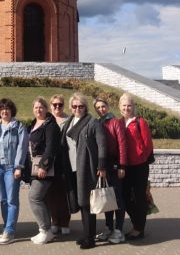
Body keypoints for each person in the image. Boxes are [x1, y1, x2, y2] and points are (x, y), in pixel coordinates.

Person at [59, 93, 107, 250]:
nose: (77, 109)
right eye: (74, 106)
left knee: (87, 204)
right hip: (71, 167)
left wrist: (101, 166)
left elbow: (102, 145)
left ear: (85, 107)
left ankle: (90, 238)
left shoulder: (92, 122)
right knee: (80, 201)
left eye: (80, 106)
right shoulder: (69, 122)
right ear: (70, 107)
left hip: (86, 167)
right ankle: (87, 234)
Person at [0, 98, 28, 245]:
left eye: (7, 109)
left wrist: (18, 167)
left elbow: (22, 148)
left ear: (11, 111)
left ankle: (9, 231)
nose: (5, 111)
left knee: (11, 200)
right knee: (2, 199)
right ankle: (6, 228)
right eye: (2, 109)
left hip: (11, 168)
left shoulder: (18, 127)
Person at [119, 93, 154, 241]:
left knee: (139, 197)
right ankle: (136, 223)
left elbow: (147, 145)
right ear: (119, 106)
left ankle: (139, 229)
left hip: (139, 166)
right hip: (125, 166)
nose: (127, 108)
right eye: (124, 105)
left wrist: (140, 158)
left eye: (129, 105)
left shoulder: (140, 122)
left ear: (133, 106)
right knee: (125, 197)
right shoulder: (119, 122)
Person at [93, 98, 127, 244]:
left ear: (108, 106)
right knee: (107, 198)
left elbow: (122, 145)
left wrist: (122, 166)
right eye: (98, 107)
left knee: (117, 198)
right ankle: (108, 228)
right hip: (103, 166)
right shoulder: (98, 123)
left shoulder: (115, 122)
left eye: (103, 106)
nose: (101, 109)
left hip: (114, 165)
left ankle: (119, 230)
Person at [28, 96, 61, 245]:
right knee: (43, 199)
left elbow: (51, 147)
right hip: (34, 166)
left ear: (46, 109)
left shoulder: (50, 125)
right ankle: (46, 232)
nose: (38, 110)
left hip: (44, 167)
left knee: (34, 197)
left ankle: (45, 229)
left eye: (41, 107)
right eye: (36, 107)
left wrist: (44, 166)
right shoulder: (34, 123)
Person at [46, 94, 71, 235]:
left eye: (60, 104)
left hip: (65, 161)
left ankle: (65, 222)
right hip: (50, 162)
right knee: (51, 194)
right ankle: (55, 221)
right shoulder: (47, 120)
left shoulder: (69, 120)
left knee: (64, 194)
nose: (57, 107)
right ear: (51, 106)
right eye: (54, 104)